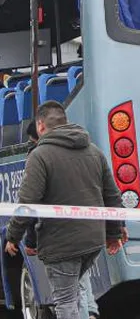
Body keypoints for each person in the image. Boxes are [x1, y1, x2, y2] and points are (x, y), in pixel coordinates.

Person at [4, 102, 125, 319]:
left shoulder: (40, 156)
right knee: (77, 290)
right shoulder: (93, 150)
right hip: (92, 241)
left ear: (40, 126)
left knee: (66, 302)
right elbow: (112, 196)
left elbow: (28, 202)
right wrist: (114, 233)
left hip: (61, 243)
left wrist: (13, 236)